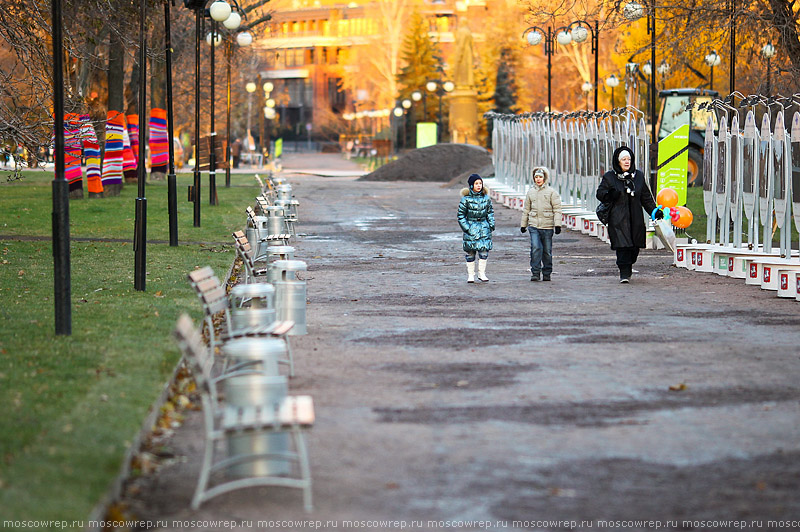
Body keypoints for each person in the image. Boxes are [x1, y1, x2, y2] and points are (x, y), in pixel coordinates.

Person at [596, 146, 662, 283]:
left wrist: (655, 212)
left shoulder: (638, 176)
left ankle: (628, 266)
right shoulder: (610, 177)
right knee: (622, 247)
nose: (627, 162)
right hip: (618, 220)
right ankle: (624, 273)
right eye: (623, 159)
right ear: (618, 161)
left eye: (629, 159)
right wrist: (610, 195)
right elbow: (600, 194)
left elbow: (646, 197)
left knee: (634, 249)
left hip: (636, 219)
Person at [520, 167, 562, 281]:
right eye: (536, 177)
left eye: (540, 177)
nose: (538, 179)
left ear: (545, 178)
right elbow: (526, 209)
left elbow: (557, 209)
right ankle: (535, 272)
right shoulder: (530, 192)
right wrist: (523, 225)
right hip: (534, 226)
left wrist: (557, 224)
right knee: (536, 248)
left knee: (547, 251)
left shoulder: (551, 192)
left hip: (547, 227)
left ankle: (547, 272)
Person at [458, 173, 495, 283]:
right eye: (476, 183)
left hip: (484, 227)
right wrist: (467, 228)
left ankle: (482, 273)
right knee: (470, 252)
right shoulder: (466, 200)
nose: (479, 186)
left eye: (480, 183)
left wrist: (491, 225)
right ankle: (470, 275)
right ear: (471, 185)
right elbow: (461, 215)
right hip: (471, 227)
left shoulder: (486, 198)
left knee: (484, 252)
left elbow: (490, 212)